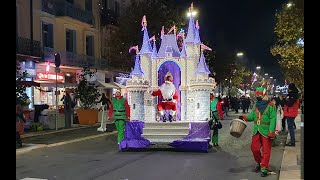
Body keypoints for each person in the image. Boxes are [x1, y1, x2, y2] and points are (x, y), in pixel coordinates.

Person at [239, 87, 277, 177]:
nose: (257, 96)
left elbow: (273, 119)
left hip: (266, 131)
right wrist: (244, 117)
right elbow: (252, 116)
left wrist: (271, 131)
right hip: (256, 130)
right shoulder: (256, 105)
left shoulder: (271, 105)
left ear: (264, 95)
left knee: (266, 151)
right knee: (254, 148)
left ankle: (264, 168)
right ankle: (260, 163)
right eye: (257, 95)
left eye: (259, 95)